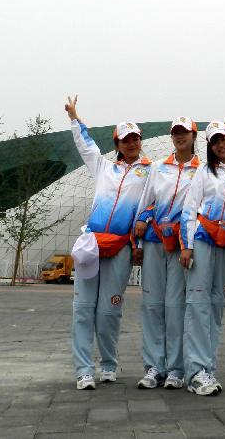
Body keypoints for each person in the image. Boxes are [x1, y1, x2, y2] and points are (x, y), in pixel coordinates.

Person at [65, 95, 152, 391]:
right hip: (91, 246)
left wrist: (140, 240)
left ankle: (109, 365)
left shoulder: (150, 171)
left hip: (121, 248)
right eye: (125, 140)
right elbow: (86, 144)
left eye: (135, 139)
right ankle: (83, 370)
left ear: (140, 141)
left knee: (109, 310)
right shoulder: (103, 167)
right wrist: (75, 118)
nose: (131, 144)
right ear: (117, 144)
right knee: (83, 309)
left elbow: (153, 205)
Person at [132, 117, 200, 391]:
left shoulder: (202, 171)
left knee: (175, 307)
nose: (180, 137)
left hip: (181, 246)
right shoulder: (159, 168)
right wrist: (137, 243)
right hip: (154, 241)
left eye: (185, 133)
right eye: (176, 133)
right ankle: (153, 367)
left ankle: (175, 368)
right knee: (151, 305)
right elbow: (147, 202)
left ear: (194, 136)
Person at [179, 121, 225, 395]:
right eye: (215, 141)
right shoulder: (204, 173)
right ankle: (195, 372)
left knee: (216, 305)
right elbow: (189, 208)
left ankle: (208, 368)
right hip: (204, 240)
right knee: (197, 304)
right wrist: (187, 245)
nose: (221, 144)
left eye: (224, 138)